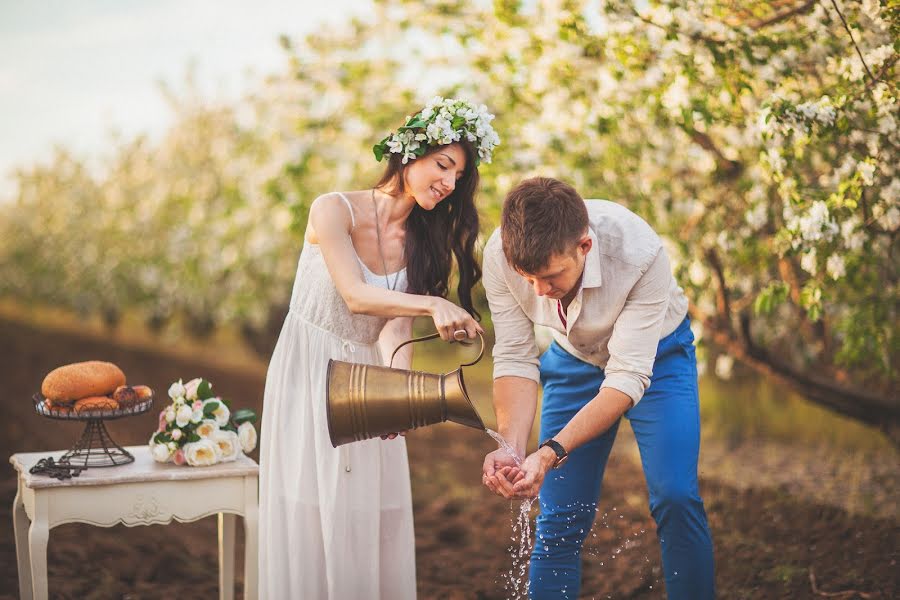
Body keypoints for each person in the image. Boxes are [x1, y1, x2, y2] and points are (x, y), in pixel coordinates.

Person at [259, 97, 499, 599]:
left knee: (364, 513)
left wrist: (398, 393)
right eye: (443, 165)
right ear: (409, 151)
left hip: (368, 377)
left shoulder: (422, 241)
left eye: (459, 175)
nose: (449, 183)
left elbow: (392, 328)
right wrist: (432, 304)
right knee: (308, 504)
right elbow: (355, 296)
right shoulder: (332, 209)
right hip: (310, 370)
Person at [481, 177, 715, 599]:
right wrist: (513, 448)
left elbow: (627, 378)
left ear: (584, 247)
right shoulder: (500, 254)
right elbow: (516, 356)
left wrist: (549, 452)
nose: (538, 291)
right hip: (575, 359)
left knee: (676, 497)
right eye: (527, 278)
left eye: (551, 276)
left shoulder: (640, 253)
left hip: (657, 358)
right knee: (558, 515)